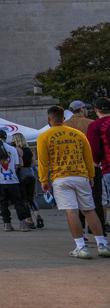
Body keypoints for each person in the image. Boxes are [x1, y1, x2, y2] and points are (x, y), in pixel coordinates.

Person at [37, 105, 109, 258]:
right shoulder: (78, 134)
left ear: (49, 119)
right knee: (89, 209)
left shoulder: (44, 136)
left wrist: (44, 180)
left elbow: (43, 161)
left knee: (71, 211)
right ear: (63, 118)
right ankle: (102, 244)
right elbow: (88, 158)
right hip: (81, 175)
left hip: (61, 177)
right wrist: (90, 176)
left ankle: (81, 247)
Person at [0, 129, 31, 232]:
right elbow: (16, 166)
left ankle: (7, 224)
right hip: (12, 180)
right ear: (5, 138)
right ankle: (23, 224)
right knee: (18, 202)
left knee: (3, 203)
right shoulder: (12, 149)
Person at [87, 97, 110, 234]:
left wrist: (94, 164)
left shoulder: (95, 125)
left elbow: (94, 151)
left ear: (97, 109)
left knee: (105, 200)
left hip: (107, 166)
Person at [12, 133, 44, 229]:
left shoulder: (17, 150)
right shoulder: (29, 150)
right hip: (30, 173)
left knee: (24, 198)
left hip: (22, 174)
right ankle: (38, 215)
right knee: (31, 197)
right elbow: (33, 162)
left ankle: (29, 220)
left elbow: (17, 164)